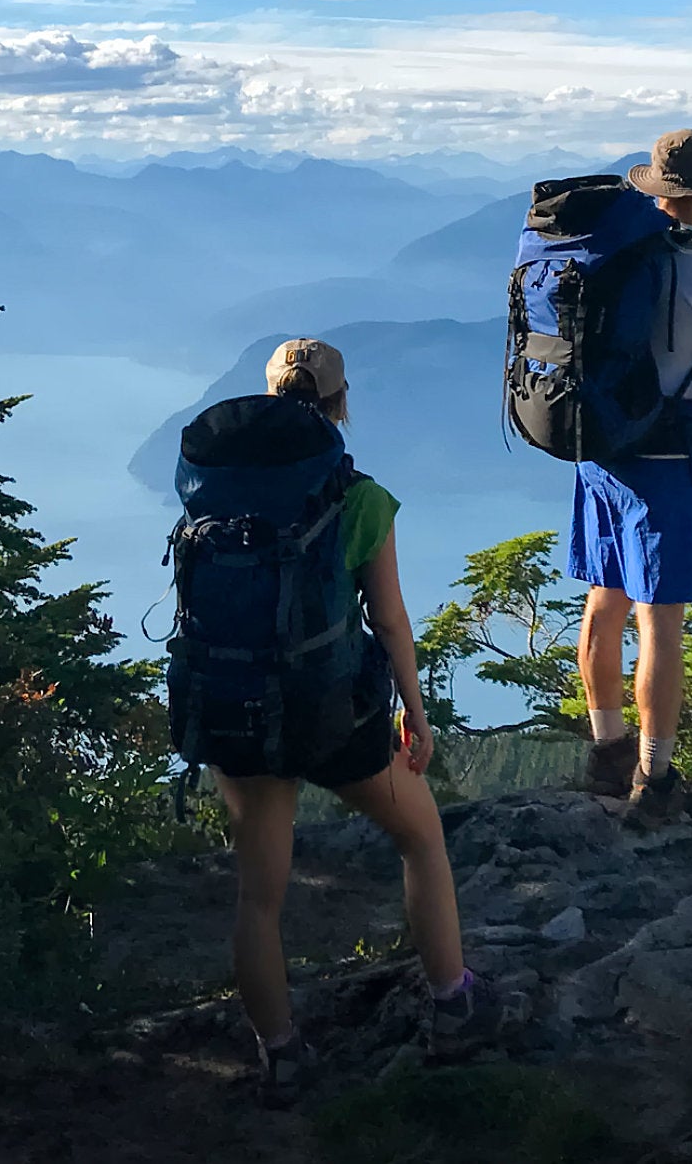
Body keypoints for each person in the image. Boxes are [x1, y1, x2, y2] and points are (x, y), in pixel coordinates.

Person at [200, 339, 491, 1106]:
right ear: (340, 403)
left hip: (234, 707)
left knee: (259, 894)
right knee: (421, 837)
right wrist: (416, 718)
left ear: (263, 398)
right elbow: (390, 622)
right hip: (333, 713)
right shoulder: (358, 497)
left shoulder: (212, 487)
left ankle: (282, 1053)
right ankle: (453, 1003)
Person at [569, 129, 692, 826]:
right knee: (660, 622)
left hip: (599, 453)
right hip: (665, 465)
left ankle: (606, 751)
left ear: (655, 188)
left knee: (604, 602)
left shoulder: (607, 253)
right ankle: (655, 776)